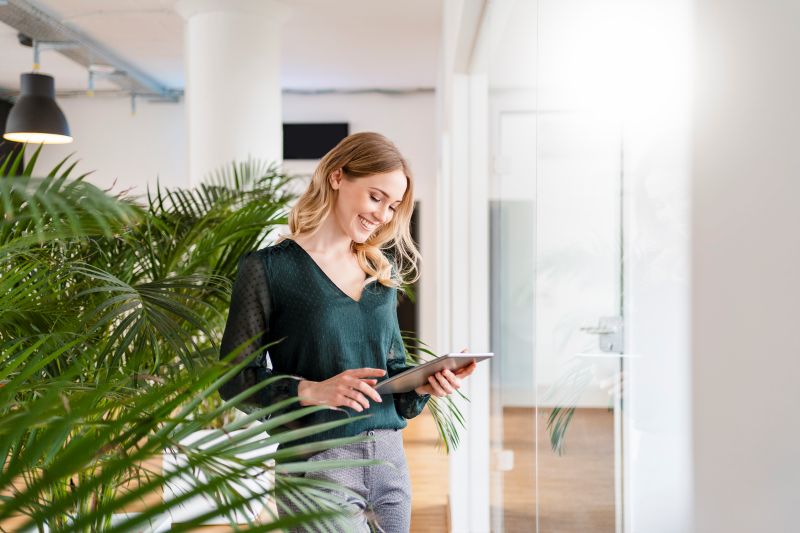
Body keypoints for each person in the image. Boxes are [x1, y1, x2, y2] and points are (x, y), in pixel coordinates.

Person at [219, 131, 477, 532]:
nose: (383, 215)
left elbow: (390, 375)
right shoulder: (268, 269)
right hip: (319, 463)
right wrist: (312, 389)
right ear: (337, 177)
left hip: (389, 461)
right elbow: (234, 379)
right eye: (376, 197)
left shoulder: (379, 273)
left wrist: (424, 385)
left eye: (393, 206)